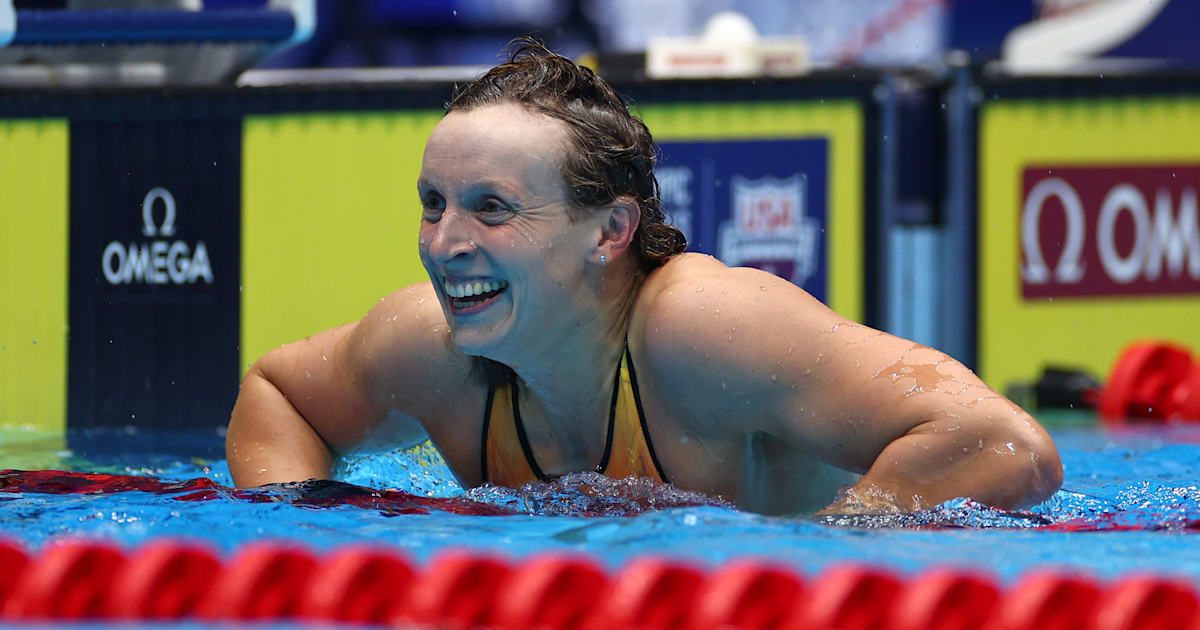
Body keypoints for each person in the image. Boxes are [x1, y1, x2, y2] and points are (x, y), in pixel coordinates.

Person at [226, 39, 1062, 515]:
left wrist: (813, 563)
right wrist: (307, 546)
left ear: (611, 231)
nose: (445, 244)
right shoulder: (431, 351)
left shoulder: (699, 329)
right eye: (433, 204)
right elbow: (278, 393)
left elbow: (1005, 446)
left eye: (491, 208)